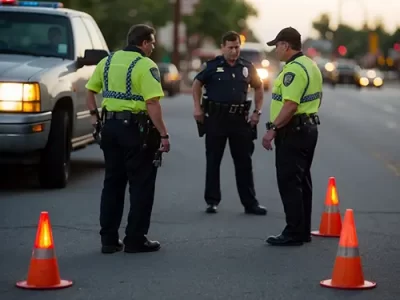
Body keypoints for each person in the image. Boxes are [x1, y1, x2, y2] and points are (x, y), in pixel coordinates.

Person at [85, 24, 170, 254]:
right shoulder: (146, 65)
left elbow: (90, 91)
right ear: (143, 43)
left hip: (110, 128)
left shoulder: (107, 62)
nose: (152, 47)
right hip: (136, 130)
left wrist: (95, 119)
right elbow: (152, 103)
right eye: (151, 43)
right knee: (141, 185)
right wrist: (163, 134)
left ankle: (109, 240)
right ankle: (135, 239)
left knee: (112, 183)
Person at [192, 31, 267, 215]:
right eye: (231, 47)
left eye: (237, 47)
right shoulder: (212, 66)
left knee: (244, 162)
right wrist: (197, 108)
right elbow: (196, 84)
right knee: (213, 161)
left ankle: (250, 203)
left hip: (240, 120)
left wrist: (257, 112)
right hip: (216, 119)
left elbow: (259, 87)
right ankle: (212, 201)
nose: (234, 51)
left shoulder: (247, 67)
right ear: (223, 47)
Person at [262, 27, 322, 246]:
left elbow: (290, 105)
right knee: (302, 180)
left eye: (277, 45)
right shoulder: (310, 65)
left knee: (289, 182)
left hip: (293, 131)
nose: (276, 50)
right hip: (308, 128)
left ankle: (294, 232)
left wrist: (272, 129)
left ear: (286, 45)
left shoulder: (293, 70)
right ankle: (302, 230)